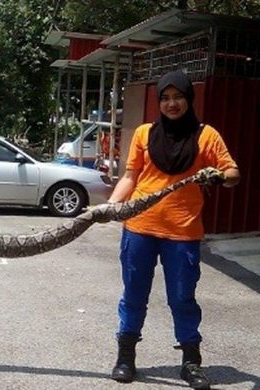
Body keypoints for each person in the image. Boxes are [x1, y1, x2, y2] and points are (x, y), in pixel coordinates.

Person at [106, 70, 240, 389]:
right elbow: (130, 176)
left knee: (182, 298)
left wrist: (219, 177)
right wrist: (109, 206)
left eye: (177, 96)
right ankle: (126, 356)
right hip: (139, 227)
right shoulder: (143, 134)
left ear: (188, 98)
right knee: (134, 294)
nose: (171, 103)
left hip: (183, 232)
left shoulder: (206, 135)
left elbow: (233, 172)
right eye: (165, 98)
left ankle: (191, 362)